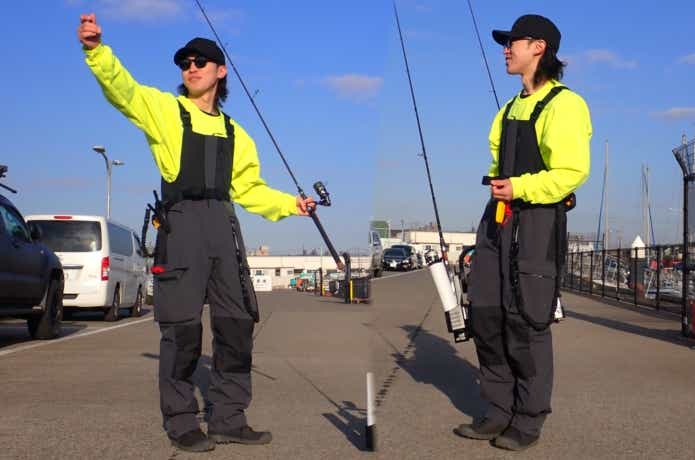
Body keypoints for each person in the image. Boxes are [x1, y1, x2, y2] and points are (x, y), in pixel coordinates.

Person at [77, 13, 315, 453]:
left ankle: (229, 419)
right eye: (185, 63)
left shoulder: (236, 133)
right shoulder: (165, 111)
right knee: (182, 331)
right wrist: (96, 51)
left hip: (224, 227)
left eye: (200, 61)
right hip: (181, 227)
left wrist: (292, 205)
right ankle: (182, 421)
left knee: (236, 325)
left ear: (220, 71)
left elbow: (250, 190)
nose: (191, 68)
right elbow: (123, 90)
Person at [455, 14, 591, 451]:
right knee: (486, 314)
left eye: (513, 41)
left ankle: (528, 420)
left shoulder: (566, 105)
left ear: (539, 47)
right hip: (497, 220)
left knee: (526, 320)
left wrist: (520, 188)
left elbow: (571, 172)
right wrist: (501, 190)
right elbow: (499, 164)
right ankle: (498, 411)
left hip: (537, 224)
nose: (506, 49)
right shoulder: (508, 109)